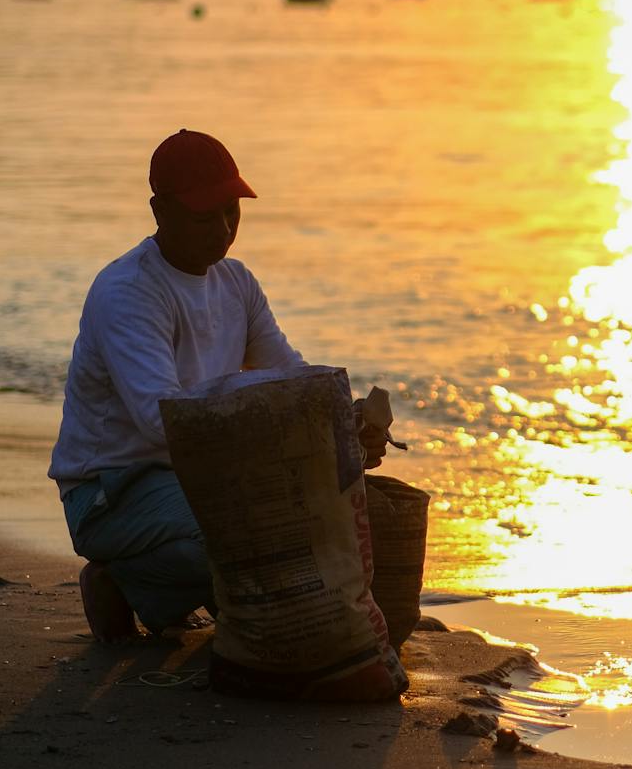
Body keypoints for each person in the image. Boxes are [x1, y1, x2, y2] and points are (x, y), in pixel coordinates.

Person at [48, 130, 385, 642]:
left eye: (233, 212)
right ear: (160, 211)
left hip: (194, 477)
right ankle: (121, 581)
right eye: (206, 217)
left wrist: (345, 423)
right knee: (251, 530)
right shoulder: (129, 291)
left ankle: (207, 597)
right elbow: (160, 422)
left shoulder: (237, 284)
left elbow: (290, 375)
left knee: (312, 517)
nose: (224, 230)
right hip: (111, 490)